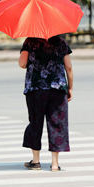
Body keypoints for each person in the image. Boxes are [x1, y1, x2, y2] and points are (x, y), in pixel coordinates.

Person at [18, 36, 73, 172]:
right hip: (57, 88)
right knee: (57, 122)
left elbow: (22, 64)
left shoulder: (30, 42)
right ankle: (54, 163)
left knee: (36, 121)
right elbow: (69, 67)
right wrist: (69, 87)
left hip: (36, 88)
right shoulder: (61, 42)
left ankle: (36, 161)